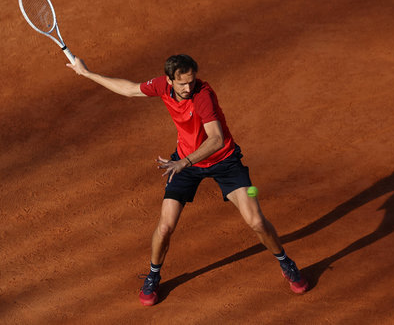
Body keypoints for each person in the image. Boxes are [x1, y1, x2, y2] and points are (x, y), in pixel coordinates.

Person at [67, 54, 308, 306]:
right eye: (182, 84)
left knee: (257, 221)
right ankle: (153, 276)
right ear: (169, 81)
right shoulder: (162, 86)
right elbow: (129, 90)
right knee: (165, 227)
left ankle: (285, 262)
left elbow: (215, 139)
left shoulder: (202, 95)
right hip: (185, 162)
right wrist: (87, 73)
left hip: (223, 161)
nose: (188, 88)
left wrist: (184, 162)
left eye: (192, 81)